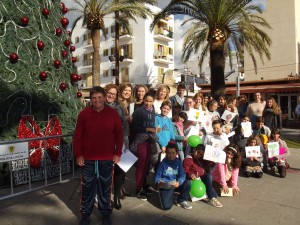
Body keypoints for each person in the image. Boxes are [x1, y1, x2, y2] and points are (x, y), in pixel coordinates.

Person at [73, 86, 124, 225]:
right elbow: (77, 137)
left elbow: (119, 135)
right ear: (91, 99)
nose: (97, 100)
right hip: (87, 159)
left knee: (105, 187)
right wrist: (78, 155)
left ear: (104, 98)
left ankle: (105, 212)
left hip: (107, 158)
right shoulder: (83, 114)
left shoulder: (112, 114)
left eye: (100, 97)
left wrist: (117, 153)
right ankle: (85, 213)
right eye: (94, 98)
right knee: (87, 187)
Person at [130, 92, 161, 200]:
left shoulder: (154, 111)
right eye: (146, 101)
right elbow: (134, 128)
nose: (148, 103)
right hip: (141, 141)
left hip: (150, 141)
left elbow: (154, 125)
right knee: (141, 166)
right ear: (143, 100)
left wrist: (156, 129)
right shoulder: (138, 111)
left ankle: (144, 185)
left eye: (151, 101)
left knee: (147, 166)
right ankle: (138, 189)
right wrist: (148, 129)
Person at [104, 84, 128, 210]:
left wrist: (126, 142)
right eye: (109, 93)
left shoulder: (120, 108)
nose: (111, 95)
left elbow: (124, 126)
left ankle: (117, 196)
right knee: (106, 172)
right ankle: (106, 198)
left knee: (119, 171)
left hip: (118, 143)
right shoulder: (99, 106)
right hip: (104, 144)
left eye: (113, 94)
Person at [155, 141, 192, 210]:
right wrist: (158, 183)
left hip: (175, 184)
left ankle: (181, 200)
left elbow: (183, 175)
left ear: (177, 153)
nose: (171, 155)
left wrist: (179, 182)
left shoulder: (178, 163)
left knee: (188, 183)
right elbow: (157, 176)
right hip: (165, 186)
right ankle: (170, 196)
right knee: (166, 207)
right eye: (169, 153)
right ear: (166, 153)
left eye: (173, 153)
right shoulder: (162, 164)